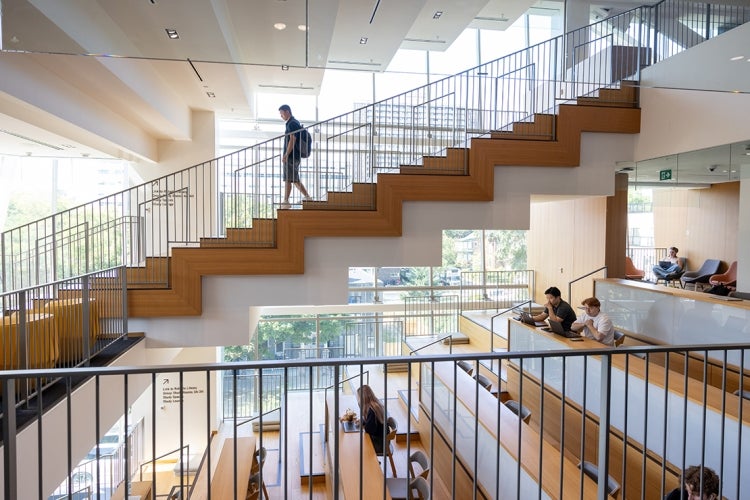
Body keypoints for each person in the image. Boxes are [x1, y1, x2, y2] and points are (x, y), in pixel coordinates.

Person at [278, 104, 312, 208]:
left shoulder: (291, 123)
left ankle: (286, 201)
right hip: (294, 156)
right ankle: (307, 197)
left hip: (292, 156)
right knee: (294, 179)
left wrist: (286, 154)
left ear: (287, 111)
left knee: (288, 179)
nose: (281, 116)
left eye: (281, 113)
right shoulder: (294, 122)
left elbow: (292, 139)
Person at [356, 384, 389, 453]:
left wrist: (363, 423)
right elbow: (371, 423)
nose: (358, 400)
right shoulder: (375, 404)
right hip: (383, 440)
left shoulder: (372, 410)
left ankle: (370, 462)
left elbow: (369, 429)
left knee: (358, 446)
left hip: (380, 444)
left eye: (358, 398)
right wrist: (363, 421)